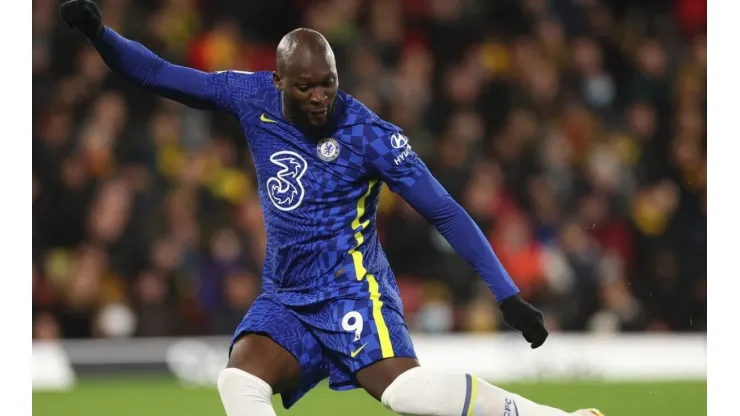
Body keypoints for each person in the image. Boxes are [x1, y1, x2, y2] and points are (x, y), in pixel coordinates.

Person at [60, 1, 604, 415]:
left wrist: (506, 294)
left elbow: (445, 212)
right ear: (278, 83)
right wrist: (99, 34)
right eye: (306, 88)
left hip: (352, 289)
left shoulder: (369, 135)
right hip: (287, 298)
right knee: (238, 381)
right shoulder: (250, 98)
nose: (320, 97)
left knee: (407, 394)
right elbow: (157, 74)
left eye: (328, 84)